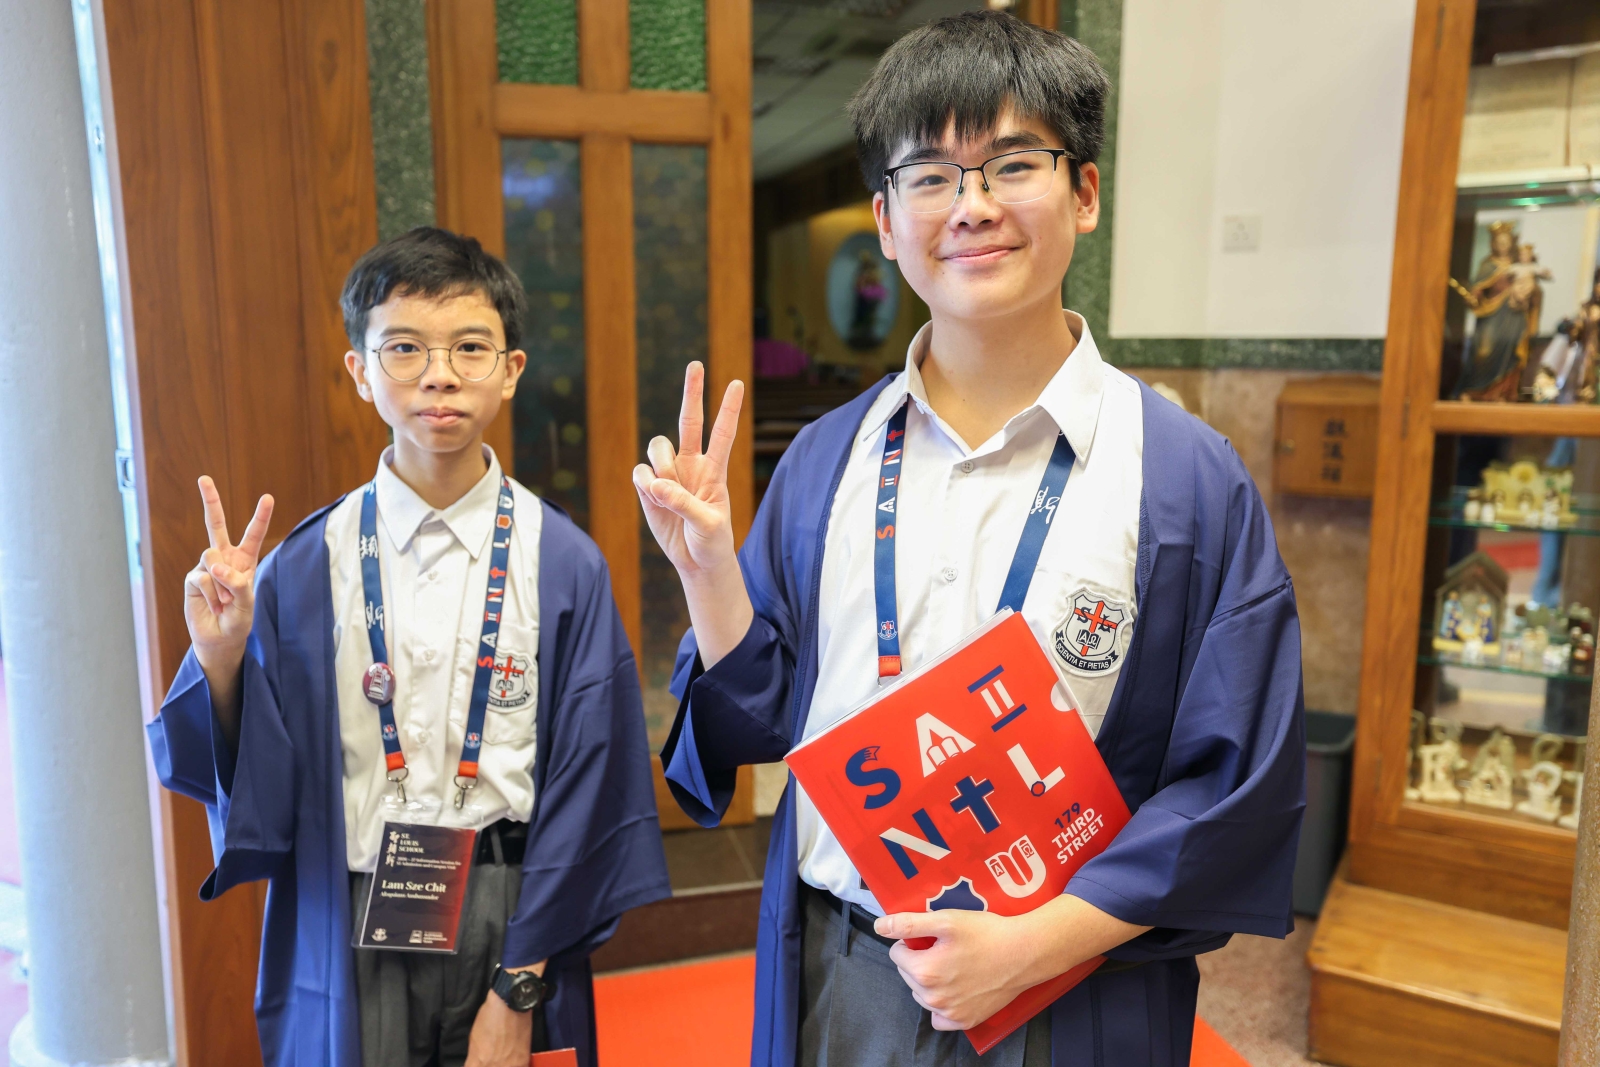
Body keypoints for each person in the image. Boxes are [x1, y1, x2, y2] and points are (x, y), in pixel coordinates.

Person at [634, 12, 1305, 1067]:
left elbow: (1232, 776)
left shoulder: (1184, 478)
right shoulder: (826, 460)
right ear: (885, 219)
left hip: (1076, 987)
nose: (973, 206)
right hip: (842, 971)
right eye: (930, 177)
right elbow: (761, 718)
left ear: (1085, 191)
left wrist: (1035, 944)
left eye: (1013, 164)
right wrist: (710, 574)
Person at [148, 227, 670, 1067]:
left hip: (511, 916)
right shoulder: (302, 567)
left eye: (470, 346)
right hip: (351, 911)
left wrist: (521, 985)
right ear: (360, 370)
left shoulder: (562, 562)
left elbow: (592, 784)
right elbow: (249, 777)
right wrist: (222, 657)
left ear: (512, 368)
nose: (439, 373)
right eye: (404, 347)